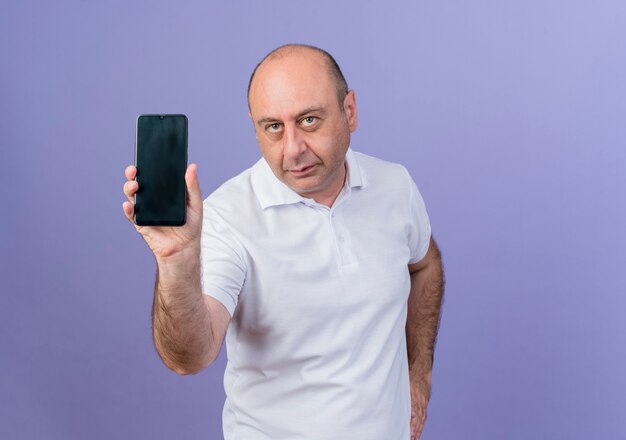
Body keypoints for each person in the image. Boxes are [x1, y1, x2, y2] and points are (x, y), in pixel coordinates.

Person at [122, 44, 444, 440]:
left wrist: (419, 374)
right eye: (273, 126)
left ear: (350, 111)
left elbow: (425, 263)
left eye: (309, 120)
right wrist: (176, 258)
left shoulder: (395, 186)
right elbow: (189, 355)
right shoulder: (227, 217)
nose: (292, 149)